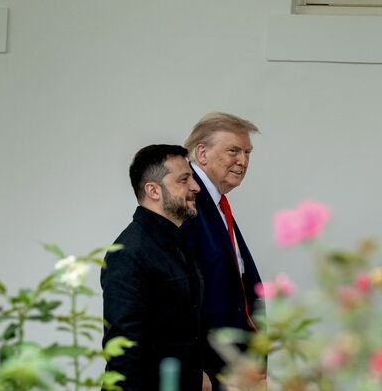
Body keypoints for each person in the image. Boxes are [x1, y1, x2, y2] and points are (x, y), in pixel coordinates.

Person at [101, 144, 212, 391]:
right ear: (153, 190)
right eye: (184, 179)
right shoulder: (129, 253)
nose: (196, 187)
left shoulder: (178, 242)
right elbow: (124, 353)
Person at [182, 113, 264, 388]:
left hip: (235, 368)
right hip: (209, 371)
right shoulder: (187, 202)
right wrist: (194, 371)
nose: (243, 161)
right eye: (233, 151)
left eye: (247, 153)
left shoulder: (216, 203)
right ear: (202, 153)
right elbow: (180, 297)